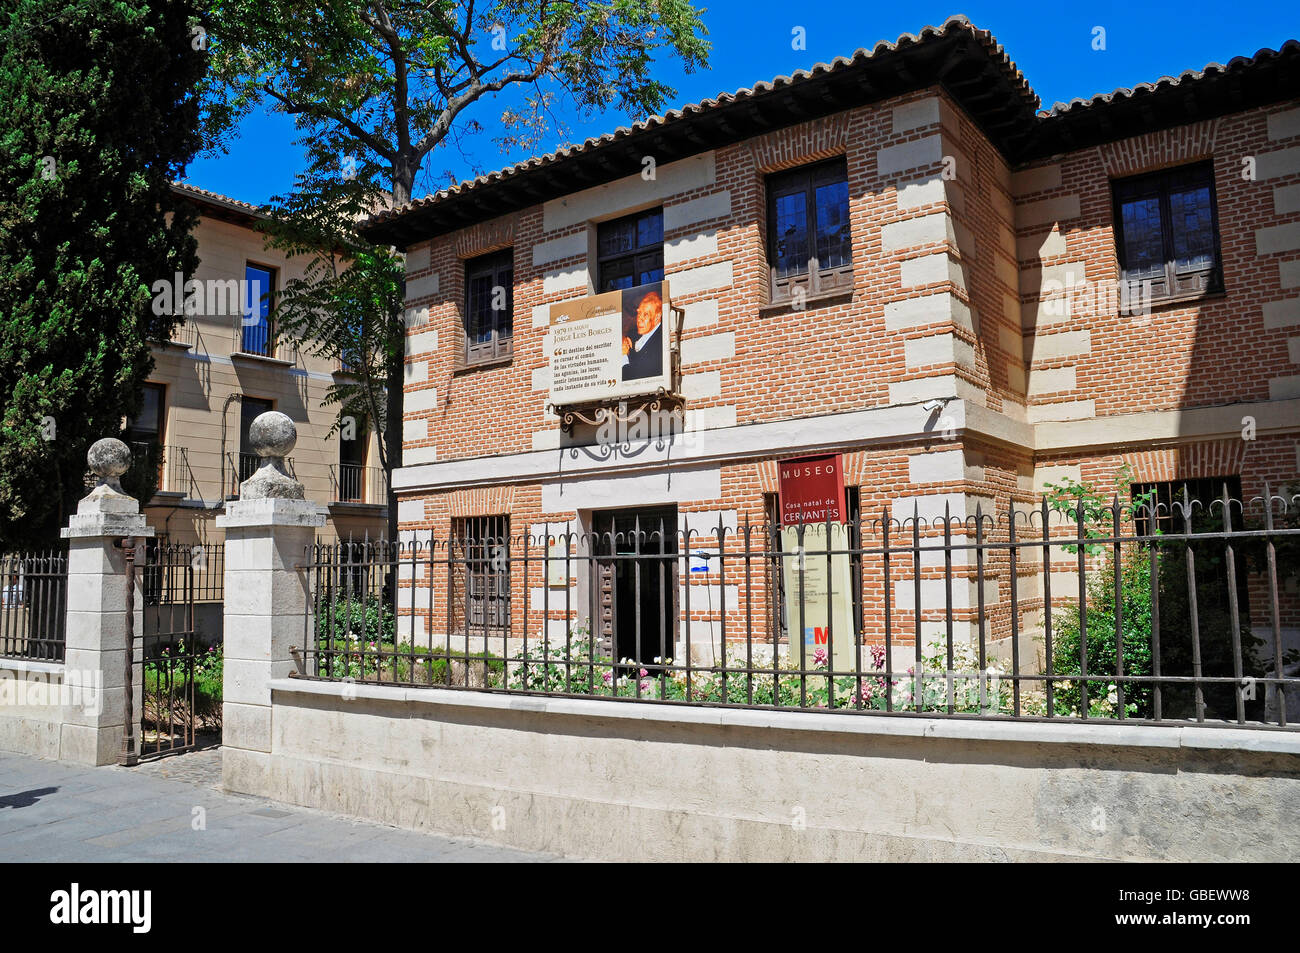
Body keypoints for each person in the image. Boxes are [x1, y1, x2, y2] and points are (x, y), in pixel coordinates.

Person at [622, 289, 664, 381]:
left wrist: (624, 355)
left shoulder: (660, 342)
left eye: (645, 315)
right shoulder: (635, 334)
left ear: (657, 317)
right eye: (639, 313)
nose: (639, 319)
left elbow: (632, 377)